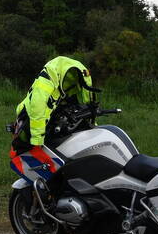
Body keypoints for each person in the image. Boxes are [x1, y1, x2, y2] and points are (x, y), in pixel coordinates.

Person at [9, 56, 94, 202]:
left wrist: (91, 116)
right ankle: (52, 189)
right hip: (32, 121)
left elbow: (87, 92)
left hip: (49, 116)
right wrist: (37, 140)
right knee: (38, 152)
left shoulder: (76, 73)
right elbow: (37, 110)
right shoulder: (44, 87)